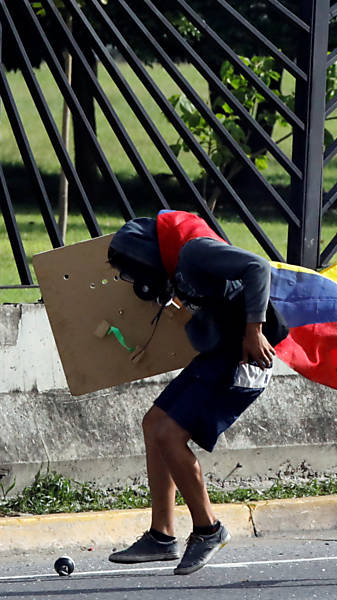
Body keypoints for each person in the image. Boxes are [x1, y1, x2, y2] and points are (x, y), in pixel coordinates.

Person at [106, 210, 288, 575]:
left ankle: (208, 529)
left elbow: (257, 268)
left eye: (133, 269)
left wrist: (254, 330)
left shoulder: (192, 252)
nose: (135, 280)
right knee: (153, 422)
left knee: (169, 433)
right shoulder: (177, 265)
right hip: (221, 352)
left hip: (243, 356)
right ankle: (161, 536)